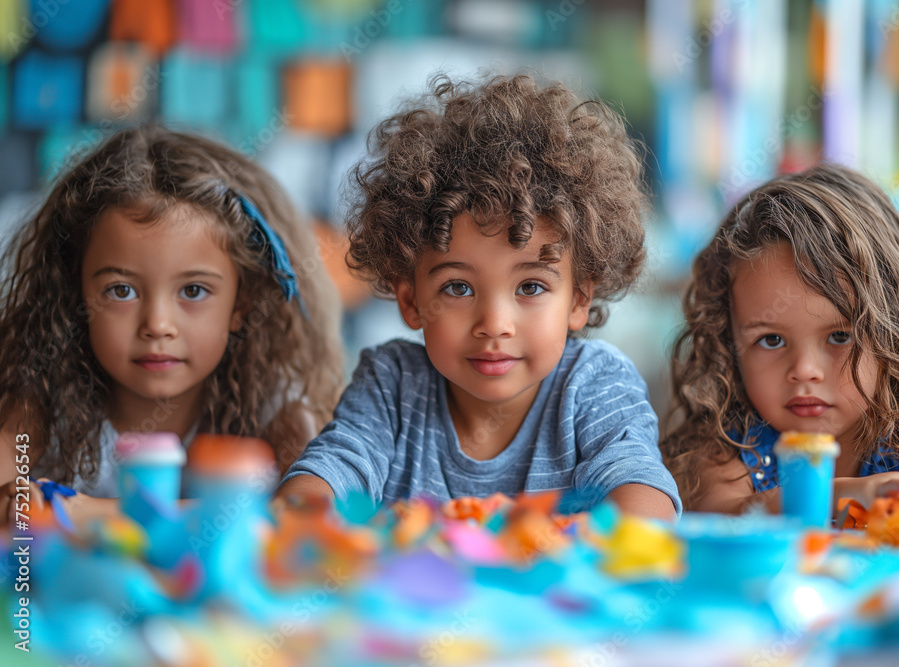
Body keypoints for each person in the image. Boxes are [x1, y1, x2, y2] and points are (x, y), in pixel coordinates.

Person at [276, 74, 680, 520]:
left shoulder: (595, 386)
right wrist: (303, 517)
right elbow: (331, 471)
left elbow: (644, 497)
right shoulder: (390, 387)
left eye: (530, 287)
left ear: (579, 300)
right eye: (458, 288)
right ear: (411, 301)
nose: (494, 322)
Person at [0, 125, 343, 524]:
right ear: (73, 293)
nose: (158, 325)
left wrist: (83, 512)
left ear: (242, 304)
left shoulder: (275, 411)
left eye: (194, 291)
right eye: (121, 290)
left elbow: (304, 517)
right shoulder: (41, 403)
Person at [661, 163, 899, 525]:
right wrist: (844, 498)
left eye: (840, 336)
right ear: (728, 342)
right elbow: (725, 511)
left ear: (898, 336)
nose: (804, 370)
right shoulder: (727, 449)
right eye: (771, 340)